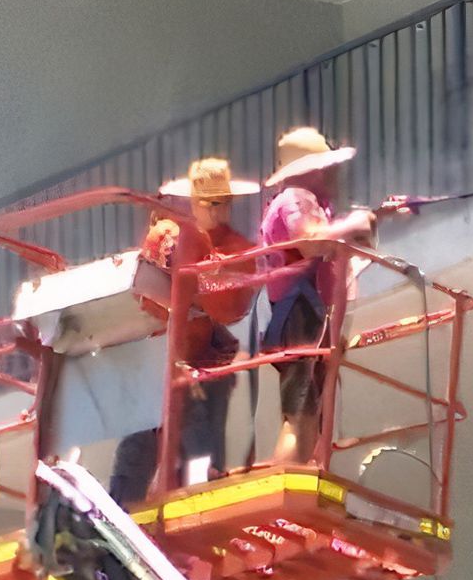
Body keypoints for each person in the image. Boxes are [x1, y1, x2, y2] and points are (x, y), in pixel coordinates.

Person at [108, 156, 258, 506]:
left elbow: (230, 307)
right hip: (160, 355)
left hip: (201, 360)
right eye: (209, 203)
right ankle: (120, 512)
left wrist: (194, 287)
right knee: (141, 441)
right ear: (193, 202)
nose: (218, 211)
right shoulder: (171, 235)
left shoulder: (234, 247)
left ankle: (200, 506)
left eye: (223, 203)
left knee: (199, 449)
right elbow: (143, 295)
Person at [258, 126, 380, 467]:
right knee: (301, 416)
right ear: (312, 170)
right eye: (326, 166)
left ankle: (303, 477)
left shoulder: (305, 202)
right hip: (299, 312)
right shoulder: (295, 198)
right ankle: (287, 485)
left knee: (313, 412)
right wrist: (354, 225)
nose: (333, 173)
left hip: (308, 311)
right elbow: (311, 242)